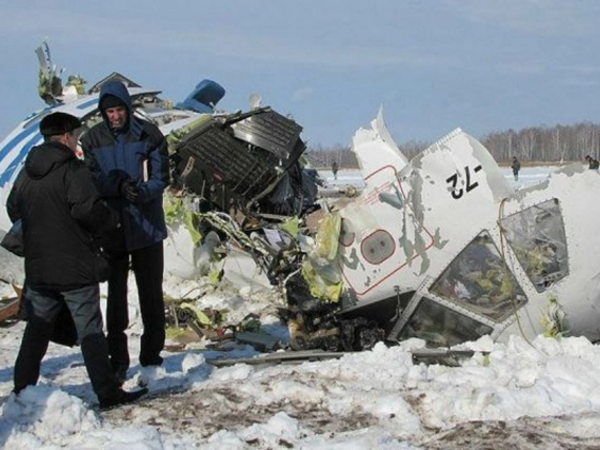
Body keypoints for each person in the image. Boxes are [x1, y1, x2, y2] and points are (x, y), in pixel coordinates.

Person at [7, 112, 147, 409]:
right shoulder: (73, 170)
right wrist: (111, 221)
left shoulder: (27, 172)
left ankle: (22, 389)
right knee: (90, 332)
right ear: (67, 137)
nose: (78, 141)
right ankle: (108, 393)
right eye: (77, 135)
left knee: (36, 329)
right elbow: (88, 211)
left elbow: (13, 208)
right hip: (75, 268)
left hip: (39, 268)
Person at [81, 81, 169, 385]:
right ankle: (117, 361)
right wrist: (116, 187)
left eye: (119, 109)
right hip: (113, 228)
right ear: (103, 113)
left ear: (127, 109)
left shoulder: (149, 134)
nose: (115, 116)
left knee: (151, 295)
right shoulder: (91, 139)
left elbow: (162, 177)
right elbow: (90, 179)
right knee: (115, 299)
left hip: (146, 227)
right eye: (109, 111)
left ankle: (152, 357)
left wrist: (142, 192)